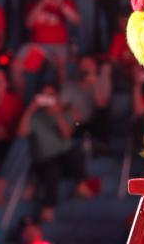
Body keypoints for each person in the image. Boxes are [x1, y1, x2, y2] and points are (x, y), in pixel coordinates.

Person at [18, 83, 91, 219]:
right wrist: (30, 109)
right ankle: (48, 207)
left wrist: (57, 114)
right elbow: (21, 133)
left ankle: (80, 185)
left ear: (57, 97)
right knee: (52, 169)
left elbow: (66, 134)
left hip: (65, 159)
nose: (48, 98)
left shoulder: (65, 113)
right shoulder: (35, 117)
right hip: (45, 161)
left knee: (76, 150)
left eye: (51, 95)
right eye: (45, 95)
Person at [12, 0, 80, 90]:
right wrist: (42, 3)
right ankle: (21, 99)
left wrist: (61, 5)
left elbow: (77, 21)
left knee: (62, 66)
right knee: (16, 67)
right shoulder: (33, 4)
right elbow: (28, 24)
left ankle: (61, 99)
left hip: (59, 47)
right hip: (38, 48)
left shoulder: (65, 2)